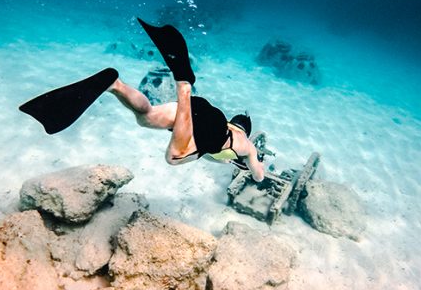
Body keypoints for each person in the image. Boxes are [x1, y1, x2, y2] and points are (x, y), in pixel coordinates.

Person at [19, 18, 265, 182]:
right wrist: (255, 167)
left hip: (206, 110)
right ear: (246, 130)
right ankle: (184, 84)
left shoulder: (233, 129)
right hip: (210, 131)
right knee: (173, 158)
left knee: (145, 119)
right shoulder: (246, 146)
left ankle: (115, 85)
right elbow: (259, 176)